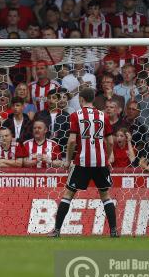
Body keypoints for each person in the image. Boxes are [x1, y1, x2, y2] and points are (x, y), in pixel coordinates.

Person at [49, 88, 118, 237]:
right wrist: (108, 158)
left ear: (81, 99)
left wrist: (67, 161)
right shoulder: (103, 115)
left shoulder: (75, 116)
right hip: (100, 162)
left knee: (68, 194)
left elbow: (72, 141)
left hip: (82, 162)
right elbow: (111, 142)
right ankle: (113, 230)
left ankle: (56, 231)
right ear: (93, 99)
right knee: (105, 195)